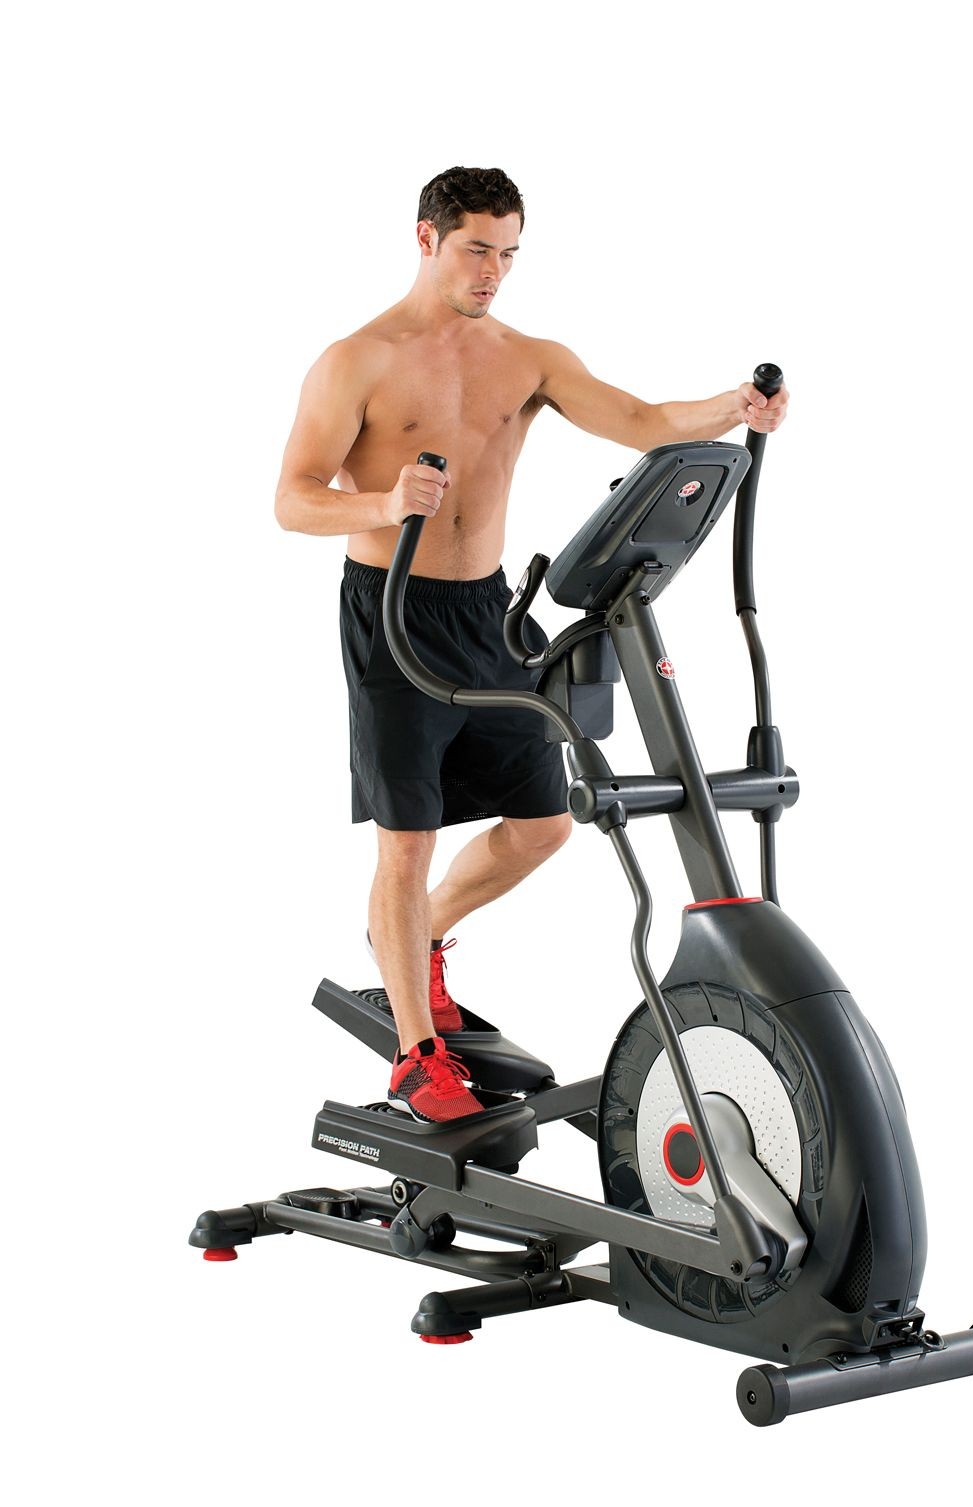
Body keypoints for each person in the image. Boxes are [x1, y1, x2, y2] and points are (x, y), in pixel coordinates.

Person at [274, 165, 789, 1122]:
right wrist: (384, 502)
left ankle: (414, 939)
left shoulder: (528, 357)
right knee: (407, 841)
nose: (493, 272)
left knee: (544, 824)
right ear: (426, 238)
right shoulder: (356, 361)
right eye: (477, 250)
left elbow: (641, 422)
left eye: (509, 254)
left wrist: (733, 408)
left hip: (487, 612)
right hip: (392, 611)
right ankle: (415, 1057)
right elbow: (292, 498)